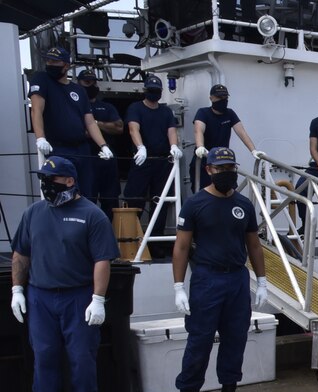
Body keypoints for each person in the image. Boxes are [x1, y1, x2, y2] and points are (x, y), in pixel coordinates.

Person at [9, 156, 119, 392]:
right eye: (43, 179)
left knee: (81, 356)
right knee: (44, 355)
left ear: (70, 181)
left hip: (78, 295)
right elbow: (21, 253)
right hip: (40, 295)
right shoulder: (33, 213)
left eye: (51, 179)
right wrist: (17, 290)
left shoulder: (92, 214)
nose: (45, 185)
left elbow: (102, 259)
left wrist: (98, 298)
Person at [171, 147, 268, 392]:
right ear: (210, 170)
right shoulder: (195, 204)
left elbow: (253, 245)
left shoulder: (244, 205)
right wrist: (178, 286)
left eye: (231, 168)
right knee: (199, 341)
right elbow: (181, 246)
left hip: (237, 279)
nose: (227, 174)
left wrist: (261, 280)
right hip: (207, 279)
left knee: (235, 338)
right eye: (221, 169)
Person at [28, 47, 114, 203]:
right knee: (62, 192)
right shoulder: (41, 79)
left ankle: (86, 225)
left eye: (55, 61)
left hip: (82, 149)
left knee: (86, 193)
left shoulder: (78, 90)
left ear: (66, 65)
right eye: (48, 60)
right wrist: (40, 138)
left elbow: (89, 121)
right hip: (57, 147)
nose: (50, 64)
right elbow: (36, 110)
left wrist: (103, 145)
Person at [123, 75, 182, 258]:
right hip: (142, 161)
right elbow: (134, 128)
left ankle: (156, 242)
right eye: (151, 90)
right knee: (135, 199)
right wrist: (141, 148)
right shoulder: (136, 108)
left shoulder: (165, 112)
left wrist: (174, 146)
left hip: (162, 162)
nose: (154, 94)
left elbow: (171, 130)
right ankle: (130, 241)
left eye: (157, 91)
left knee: (161, 202)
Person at [191, 84, 264, 190]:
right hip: (204, 159)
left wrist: (254, 151)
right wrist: (200, 146)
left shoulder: (229, 113)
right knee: (204, 193)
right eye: (219, 97)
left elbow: (241, 132)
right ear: (211, 98)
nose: (223, 100)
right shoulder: (203, 112)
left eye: (225, 97)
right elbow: (198, 130)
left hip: (224, 161)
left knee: (230, 191)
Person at [76, 69, 123, 220]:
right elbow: (79, 131)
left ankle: (110, 238)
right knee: (86, 200)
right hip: (85, 159)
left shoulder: (107, 107)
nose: (91, 86)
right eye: (87, 82)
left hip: (108, 160)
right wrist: (103, 128)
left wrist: (96, 124)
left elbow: (118, 127)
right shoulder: (74, 108)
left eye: (93, 82)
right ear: (79, 83)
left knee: (111, 201)